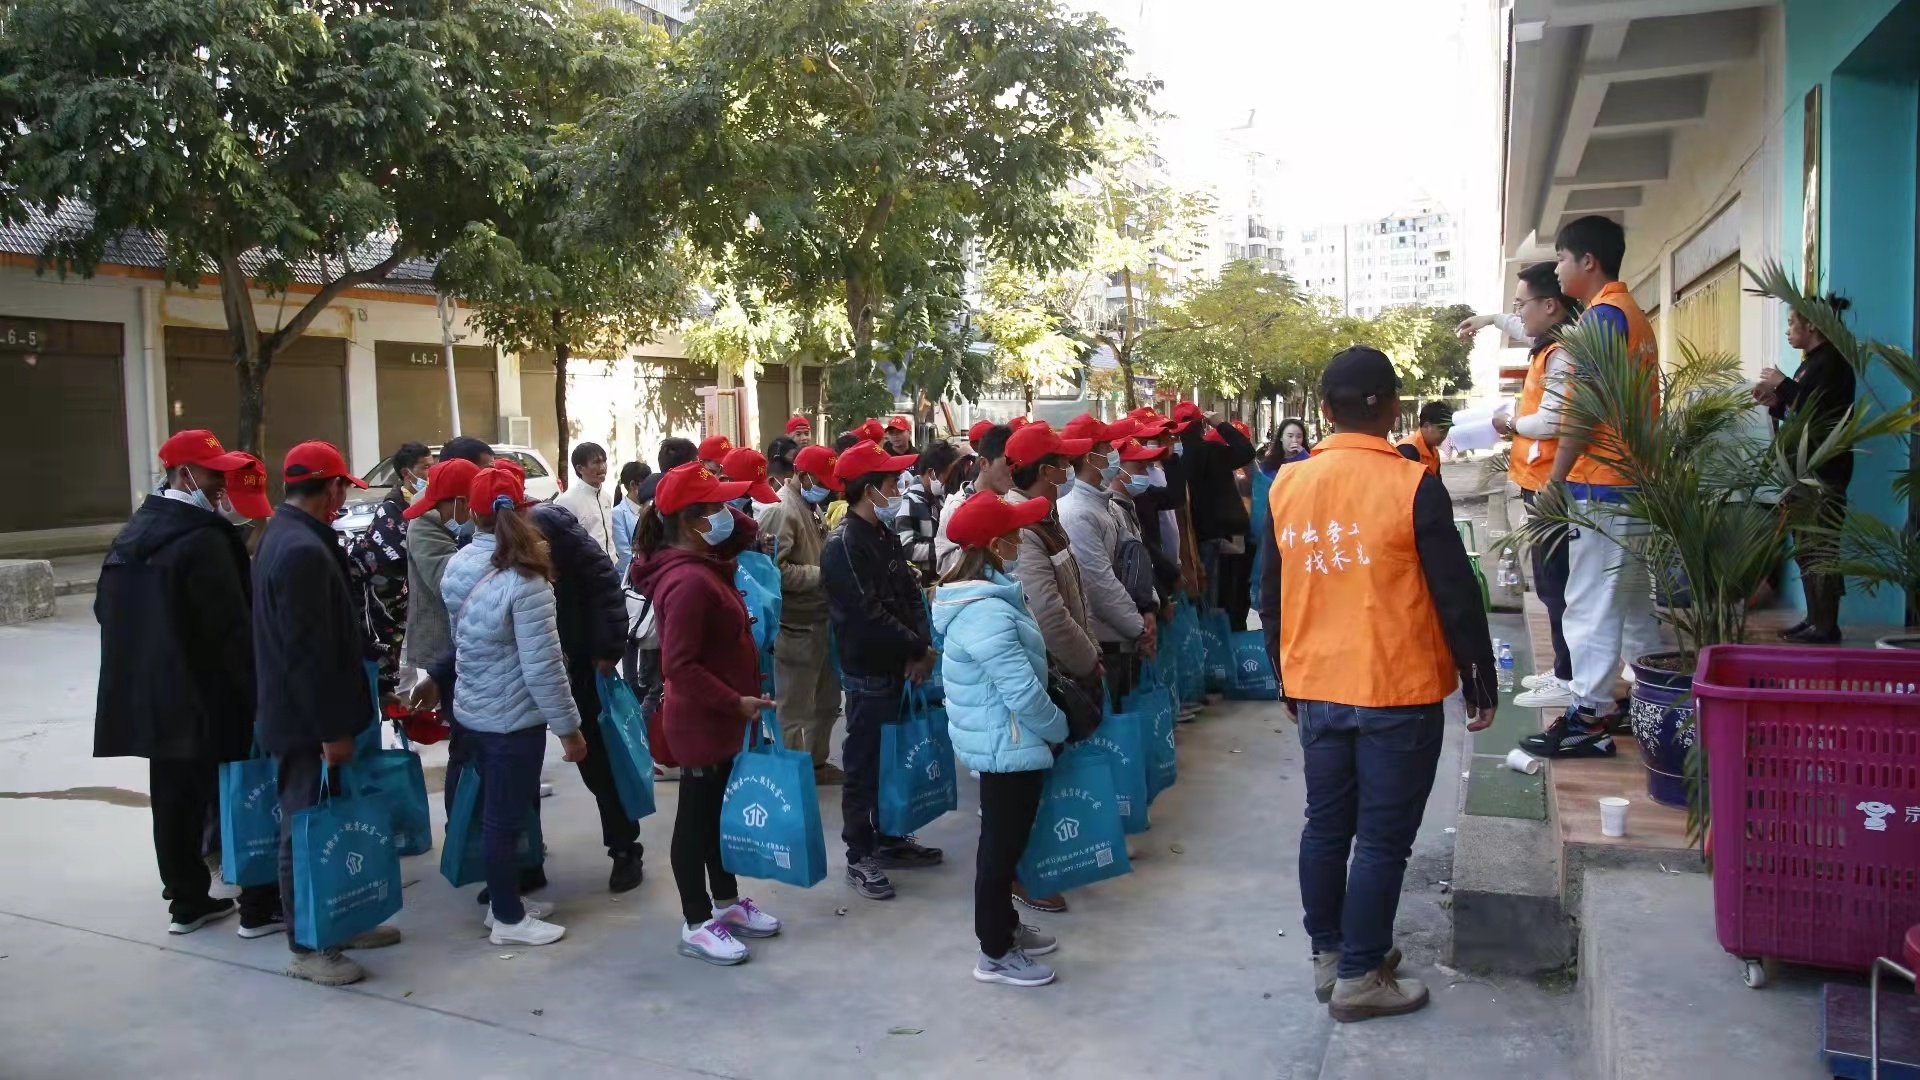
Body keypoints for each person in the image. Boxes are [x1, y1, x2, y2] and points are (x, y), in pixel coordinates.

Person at [1259, 347, 1497, 1022]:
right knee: (1383, 840)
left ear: (1325, 411)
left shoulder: (1286, 485)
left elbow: (1272, 594)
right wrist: (1478, 679)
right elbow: (1455, 592)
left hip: (1319, 688)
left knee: (1326, 826)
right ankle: (1361, 975)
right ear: (1392, 407)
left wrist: (1286, 677)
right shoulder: (1413, 483)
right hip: (1398, 687)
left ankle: (1332, 959)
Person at [95, 431, 276, 937]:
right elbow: (232, 630)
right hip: (206, 696)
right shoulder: (204, 540)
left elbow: (104, 611)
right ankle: (259, 901)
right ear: (185, 475)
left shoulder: (135, 533)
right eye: (214, 476)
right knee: (238, 795)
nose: (222, 486)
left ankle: (187, 901)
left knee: (173, 798)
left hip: (153, 695)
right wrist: (258, 696)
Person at [253, 441, 399, 987]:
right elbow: (308, 654)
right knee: (307, 826)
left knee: (332, 819)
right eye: (343, 487)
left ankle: (342, 917)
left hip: (316, 713)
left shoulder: (294, 535)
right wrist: (331, 732)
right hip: (306, 723)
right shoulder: (300, 551)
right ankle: (308, 945)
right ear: (333, 487)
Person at [628, 463, 782, 964]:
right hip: (701, 720)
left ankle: (727, 902)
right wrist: (733, 702)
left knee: (715, 816)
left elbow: (748, 530)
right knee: (694, 822)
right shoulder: (690, 580)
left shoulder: (705, 563)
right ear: (694, 522)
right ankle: (697, 920)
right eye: (716, 507)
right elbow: (678, 665)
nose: (729, 514)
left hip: (719, 716)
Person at [1522, 214, 1663, 758]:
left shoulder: (1604, 317)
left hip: (1601, 483)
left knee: (1589, 603)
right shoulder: (1632, 316)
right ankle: (1643, 701)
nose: (1556, 269)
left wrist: (1557, 481)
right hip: (1631, 479)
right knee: (1627, 603)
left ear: (1588, 261)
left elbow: (1585, 406)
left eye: (1561, 258)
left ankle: (1589, 714)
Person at [441, 465, 589, 947]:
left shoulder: (459, 565)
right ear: (525, 508)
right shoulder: (527, 580)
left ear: (473, 512)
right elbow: (544, 667)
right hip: (513, 720)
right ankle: (506, 917)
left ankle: (503, 901)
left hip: (472, 709)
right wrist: (569, 728)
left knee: (494, 814)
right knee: (504, 819)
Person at [931, 491, 1070, 988]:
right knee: (999, 852)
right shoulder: (985, 612)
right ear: (995, 544)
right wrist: (1058, 727)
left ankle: (1005, 929)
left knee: (1005, 845)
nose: (1020, 539)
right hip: (1008, 743)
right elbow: (1022, 693)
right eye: (1012, 533)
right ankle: (993, 951)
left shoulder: (990, 593)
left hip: (1006, 740)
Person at [1458, 262, 1581, 707]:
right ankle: (1564, 670)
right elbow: (1518, 324)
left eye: (1522, 304)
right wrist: (1490, 319)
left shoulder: (1563, 353)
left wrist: (1508, 422)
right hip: (1540, 481)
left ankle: (1572, 679)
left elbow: (1553, 419)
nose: (1519, 315)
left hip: (1554, 484)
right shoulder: (1548, 342)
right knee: (1550, 581)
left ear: (1550, 305)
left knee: (1558, 583)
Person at [822, 440, 940, 901]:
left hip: (901, 665)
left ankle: (890, 836)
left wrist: (920, 648)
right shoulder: (844, 544)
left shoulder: (883, 535)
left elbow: (908, 590)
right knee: (864, 765)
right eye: (892, 482)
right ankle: (860, 854)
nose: (899, 487)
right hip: (869, 672)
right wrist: (916, 648)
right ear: (870, 490)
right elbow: (866, 614)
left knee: (894, 760)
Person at [530, 478, 644, 892]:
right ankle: (525, 859)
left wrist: (606, 651)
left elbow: (606, 589)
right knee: (520, 767)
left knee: (596, 759)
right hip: (533, 662)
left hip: (577, 661)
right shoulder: (492, 541)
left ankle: (624, 848)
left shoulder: (552, 532)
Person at [1757, 296, 1857, 644]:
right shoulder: (1811, 363)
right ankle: (1815, 619)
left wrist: (1782, 383)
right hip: (1804, 469)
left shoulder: (1833, 362)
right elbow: (1802, 413)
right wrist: (1777, 403)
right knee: (1805, 547)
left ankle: (1826, 625)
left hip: (1825, 472)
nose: (1788, 331)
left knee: (1821, 547)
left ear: (1811, 325)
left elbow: (1819, 413)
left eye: (1791, 323)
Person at [761, 443, 847, 783]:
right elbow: (775, 573)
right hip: (795, 626)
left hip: (819, 620)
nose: (826, 489)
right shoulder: (783, 510)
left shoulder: (811, 506)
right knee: (793, 709)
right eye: (821, 480)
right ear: (803, 475)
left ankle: (814, 764)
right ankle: (790, 775)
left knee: (825, 703)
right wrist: (823, 573)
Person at [1058, 414, 1153, 706]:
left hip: (1123, 632)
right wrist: (1138, 626)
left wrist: (1149, 607)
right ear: (1091, 458)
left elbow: (1135, 552)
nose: (1114, 454)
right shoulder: (1076, 513)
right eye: (1107, 447)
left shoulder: (1104, 503)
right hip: (1107, 637)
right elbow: (1099, 584)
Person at [1175, 401, 1257, 631]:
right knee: (1234, 593)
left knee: (1210, 598)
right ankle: (1232, 639)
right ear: (1201, 424)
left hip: (1198, 539)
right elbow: (1246, 451)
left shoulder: (1175, 461)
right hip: (1230, 534)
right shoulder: (1214, 452)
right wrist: (1220, 424)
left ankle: (1213, 643)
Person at [402, 457, 482, 695]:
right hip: (451, 646)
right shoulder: (430, 519)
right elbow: (451, 585)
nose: (442, 514)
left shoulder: (488, 525)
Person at [937, 424, 1014, 576]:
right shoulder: (957, 507)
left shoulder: (1013, 500)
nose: (1014, 470)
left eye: (1018, 464)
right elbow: (944, 565)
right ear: (984, 463)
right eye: (1008, 464)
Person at [897, 440, 960, 586]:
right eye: (947, 476)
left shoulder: (940, 499)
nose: (949, 481)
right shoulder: (908, 501)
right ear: (932, 473)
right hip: (922, 583)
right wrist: (941, 548)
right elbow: (905, 548)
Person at [556, 441, 615, 559]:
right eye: (596, 462)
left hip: (610, 566)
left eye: (604, 461)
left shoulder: (606, 497)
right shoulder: (567, 501)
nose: (603, 467)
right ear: (580, 468)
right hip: (586, 570)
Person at [611, 461, 647, 585]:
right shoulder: (618, 513)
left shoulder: (649, 508)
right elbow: (624, 553)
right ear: (633, 485)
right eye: (645, 484)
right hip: (630, 579)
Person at [1396, 403, 1453, 477]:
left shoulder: (1434, 453)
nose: (1444, 435)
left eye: (1447, 431)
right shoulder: (1408, 449)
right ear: (1427, 426)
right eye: (1442, 430)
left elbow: (1437, 484)